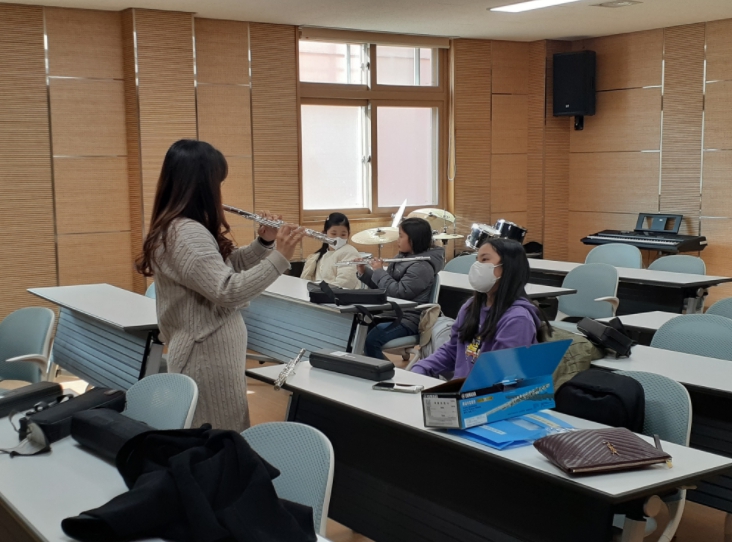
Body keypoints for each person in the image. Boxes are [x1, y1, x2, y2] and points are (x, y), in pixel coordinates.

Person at [135, 139, 304, 432]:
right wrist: (280, 257)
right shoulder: (186, 233)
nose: (219, 192)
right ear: (202, 185)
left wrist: (264, 242)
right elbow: (228, 290)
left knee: (219, 435)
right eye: (218, 182)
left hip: (206, 352)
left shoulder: (179, 225)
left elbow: (221, 269)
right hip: (206, 356)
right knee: (218, 439)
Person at [411, 237, 546, 379]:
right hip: (465, 393)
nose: (477, 266)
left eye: (485, 260)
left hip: (491, 396)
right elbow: (453, 350)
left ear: (508, 268)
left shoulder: (518, 319)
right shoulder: (470, 307)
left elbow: (503, 377)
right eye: (477, 260)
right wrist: (421, 368)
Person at [358, 217, 444, 359]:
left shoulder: (422, 266)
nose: (397, 240)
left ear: (414, 239)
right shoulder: (403, 258)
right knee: (354, 330)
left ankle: (385, 373)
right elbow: (384, 288)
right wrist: (364, 272)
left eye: (401, 236)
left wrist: (379, 271)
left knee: (372, 340)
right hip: (391, 313)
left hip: (409, 319)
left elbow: (399, 293)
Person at [300, 212, 360, 289]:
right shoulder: (319, 256)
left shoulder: (349, 252)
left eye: (343, 235)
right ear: (324, 233)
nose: (338, 238)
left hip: (338, 298)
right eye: (333, 234)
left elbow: (346, 283)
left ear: (348, 234)